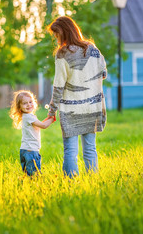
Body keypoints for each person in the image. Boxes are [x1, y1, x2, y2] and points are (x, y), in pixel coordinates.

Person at [47, 16, 107, 178]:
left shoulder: (63, 54)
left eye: (57, 34)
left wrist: (52, 111)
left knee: (70, 151)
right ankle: (93, 181)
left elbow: (59, 85)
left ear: (64, 32)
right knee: (90, 149)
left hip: (72, 109)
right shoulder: (92, 48)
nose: (56, 39)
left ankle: (71, 183)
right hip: (92, 107)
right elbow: (103, 73)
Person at [9, 90, 55, 176]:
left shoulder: (27, 116)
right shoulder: (29, 117)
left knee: (28, 175)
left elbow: (39, 124)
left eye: (30, 102)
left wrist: (49, 118)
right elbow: (43, 126)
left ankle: (27, 187)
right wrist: (52, 118)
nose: (29, 105)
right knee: (34, 176)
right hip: (31, 151)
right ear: (19, 107)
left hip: (25, 150)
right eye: (25, 103)